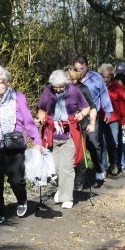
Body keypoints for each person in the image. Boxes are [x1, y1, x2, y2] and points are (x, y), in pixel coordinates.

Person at [0, 65, 42, 222]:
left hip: (14, 144)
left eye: (0, 82)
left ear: (7, 82)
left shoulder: (18, 97)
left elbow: (28, 120)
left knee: (16, 179)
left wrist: (36, 140)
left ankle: (21, 199)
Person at [36, 69, 90, 209]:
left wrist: (81, 115)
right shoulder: (48, 91)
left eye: (61, 87)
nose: (59, 90)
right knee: (55, 168)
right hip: (52, 134)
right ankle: (62, 189)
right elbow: (42, 109)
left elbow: (86, 108)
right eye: (56, 87)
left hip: (70, 134)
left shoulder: (74, 91)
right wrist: (40, 118)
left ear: (66, 84)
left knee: (67, 166)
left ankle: (67, 198)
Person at [74, 55, 113, 187]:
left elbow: (104, 94)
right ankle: (77, 178)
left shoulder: (96, 78)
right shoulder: (71, 78)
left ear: (86, 66)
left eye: (82, 68)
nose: (79, 71)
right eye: (77, 68)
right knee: (77, 147)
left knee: (93, 143)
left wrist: (108, 110)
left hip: (92, 116)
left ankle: (99, 170)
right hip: (75, 118)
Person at [98, 63, 125, 177]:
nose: (105, 79)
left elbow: (124, 105)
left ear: (112, 76)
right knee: (102, 144)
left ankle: (114, 163)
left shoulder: (117, 87)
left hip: (114, 120)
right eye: (103, 76)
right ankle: (103, 168)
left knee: (114, 143)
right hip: (100, 119)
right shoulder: (97, 86)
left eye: (107, 77)